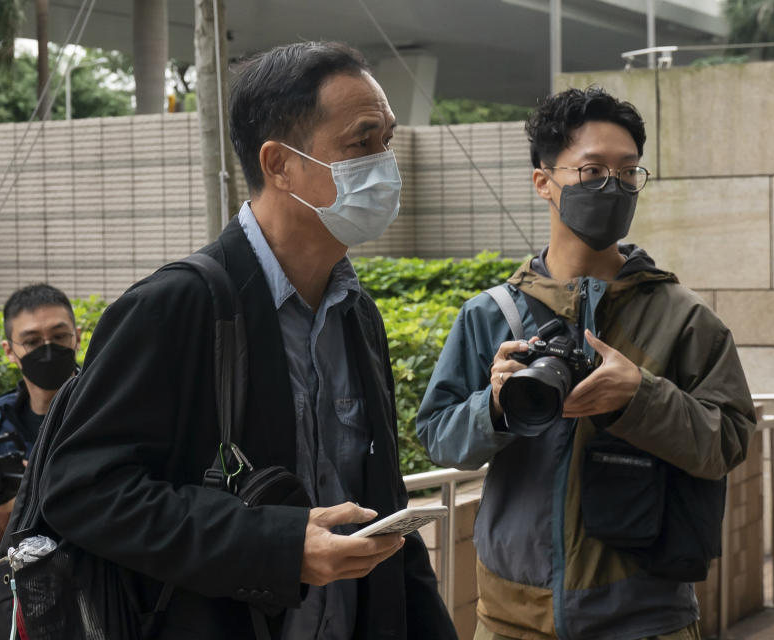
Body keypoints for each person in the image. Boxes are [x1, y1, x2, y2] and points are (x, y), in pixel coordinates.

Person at [37, 41, 458, 639]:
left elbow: (381, 504)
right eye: (362, 143)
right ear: (279, 164)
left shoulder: (356, 311)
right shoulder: (177, 306)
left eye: (387, 141)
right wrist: (277, 546)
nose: (384, 164)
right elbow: (83, 490)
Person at [417, 86, 756, 640]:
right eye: (592, 169)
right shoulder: (489, 316)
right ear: (542, 182)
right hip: (510, 620)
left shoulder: (685, 318)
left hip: (647, 620)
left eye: (628, 172)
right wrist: (495, 407)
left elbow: (730, 442)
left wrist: (640, 398)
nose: (613, 186)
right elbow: (438, 436)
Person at [0, 283, 80, 640]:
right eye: (33, 341)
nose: (48, 349)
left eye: (59, 335)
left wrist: (26, 513)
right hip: (13, 596)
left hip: (86, 596)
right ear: (10, 351)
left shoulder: (101, 413)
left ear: (78, 337)